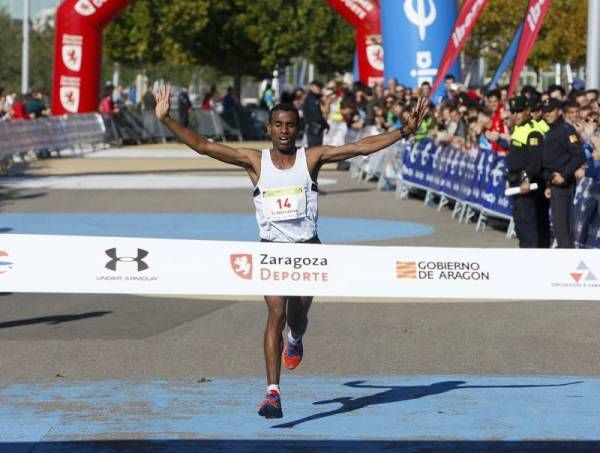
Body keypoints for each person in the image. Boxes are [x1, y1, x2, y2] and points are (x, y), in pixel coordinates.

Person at [154, 85, 428, 419]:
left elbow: (359, 147)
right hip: (271, 251)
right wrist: (167, 119)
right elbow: (204, 146)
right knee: (275, 314)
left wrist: (404, 131)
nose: (284, 131)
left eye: (290, 126)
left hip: (309, 250)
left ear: (297, 129)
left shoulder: (310, 159)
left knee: (296, 319)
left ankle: (295, 338)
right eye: (278, 125)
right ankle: (273, 393)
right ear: (268, 129)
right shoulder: (255, 162)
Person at [505, 96, 550, 248]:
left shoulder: (533, 131)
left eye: (519, 111)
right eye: (513, 111)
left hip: (527, 186)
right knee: (521, 225)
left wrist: (527, 178)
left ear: (528, 111)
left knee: (528, 225)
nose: (515, 115)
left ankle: (532, 262)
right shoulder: (519, 128)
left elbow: (535, 160)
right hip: (517, 182)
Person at [541, 97, 586, 248]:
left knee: (563, 229)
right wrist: (548, 183)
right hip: (553, 183)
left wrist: (565, 174)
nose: (547, 114)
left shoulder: (566, 129)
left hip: (563, 184)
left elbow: (579, 155)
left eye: (551, 111)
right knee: (559, 229)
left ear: (559, 111)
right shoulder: (550, 131)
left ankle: (569, 266)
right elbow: (550, 161)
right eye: (545, 111)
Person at [302, 80, 329, 147]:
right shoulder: (311, 99)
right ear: (311, 87)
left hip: (314, 128)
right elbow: (316, 115)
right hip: (314, 128)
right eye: (317, 87)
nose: (319, 89)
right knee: (315, 150)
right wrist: (325, 124)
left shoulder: (314, 98)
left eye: (320, 87)